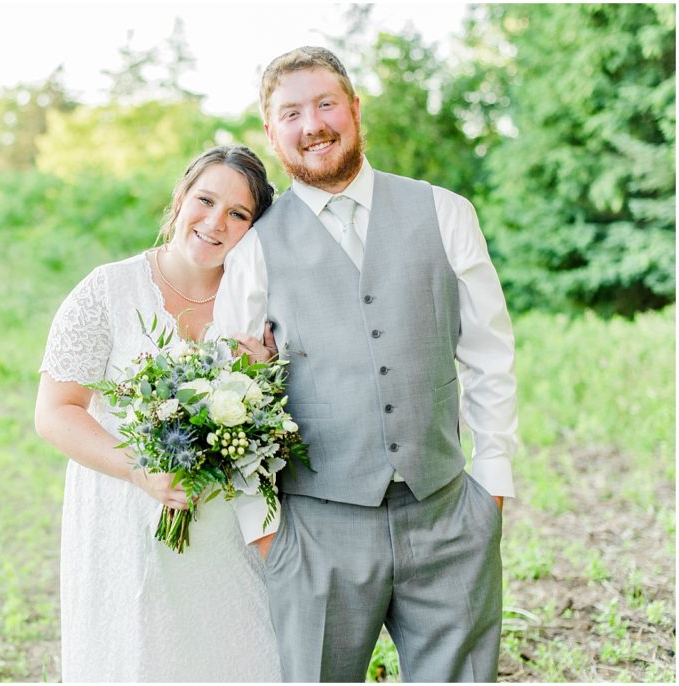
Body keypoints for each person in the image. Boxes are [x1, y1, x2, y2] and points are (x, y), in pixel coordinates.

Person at [210, 46, 519, 682]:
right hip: (316, 529)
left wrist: (491, 484)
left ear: (354, 110)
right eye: (290, 113)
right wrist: (264, 529)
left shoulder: (445, 212)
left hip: (446, 514)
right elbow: (228, 396)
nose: (312, 124)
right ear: (272, 133)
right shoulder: (256, 248)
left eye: (325, 104)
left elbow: (488, 350)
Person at [34, 145, 282, 682]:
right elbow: (56, 411)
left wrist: (265, 376)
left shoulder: (260, 304)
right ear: (180, 199)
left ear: (253, 228)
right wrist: (138, 468)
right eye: (206, 200)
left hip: (226, 532)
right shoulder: (106, 290)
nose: (216, 222)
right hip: (123, 517)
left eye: (238, 214)